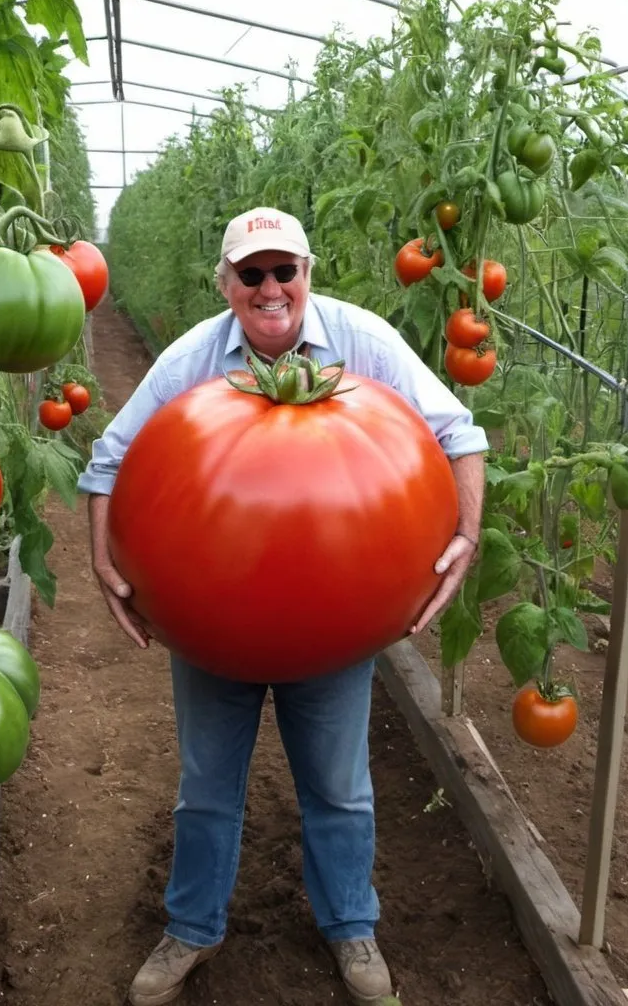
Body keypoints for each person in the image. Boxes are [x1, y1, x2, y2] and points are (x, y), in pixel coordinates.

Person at [78, 207, 488, 1006]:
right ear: (226, 284)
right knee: (205, 785)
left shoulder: (363, 343)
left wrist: (464, 538)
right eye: (251, 274)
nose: (271, 289)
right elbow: (108, 459)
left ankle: (351, 926)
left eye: (284, 271)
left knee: (340, 786)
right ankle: (190, 928)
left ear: (308, 273)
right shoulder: (194, 360)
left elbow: (458, 431)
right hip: (215, 623)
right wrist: (103, 560)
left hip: (333, 626)